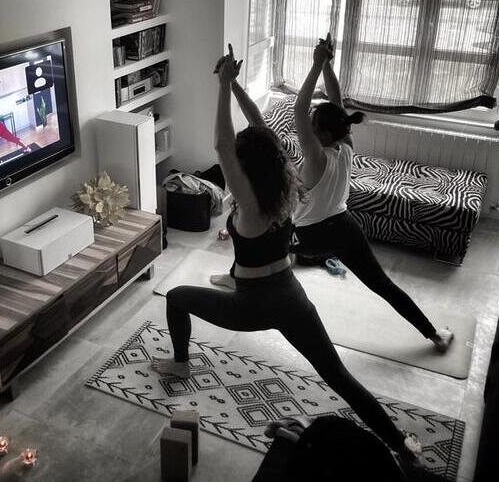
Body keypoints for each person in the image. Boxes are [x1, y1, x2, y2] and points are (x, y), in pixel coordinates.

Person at [152, 45, 423, 466]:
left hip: (252, 303)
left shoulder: (252, 204)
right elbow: (259, 130)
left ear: (244, 168)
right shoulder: (288, 186)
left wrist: (223, 86)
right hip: (293, 297)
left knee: (176, 297)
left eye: (236, 164)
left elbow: (224, 146)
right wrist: (235, 85)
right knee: (338, 377)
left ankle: (181, 364)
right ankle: (401, 443)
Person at [212, 35, 453, 353]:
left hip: (307, 237)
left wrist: (314, 66)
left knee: (251, 234)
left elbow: (298, 107)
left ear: (320, 134)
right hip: (345, 227)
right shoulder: (345, 145)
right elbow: (329, 105)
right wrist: (326, 64)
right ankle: (435, 334)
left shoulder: (315, 157)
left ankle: (239, 278)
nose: (306, 126)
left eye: (311, 125)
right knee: (382, 283)